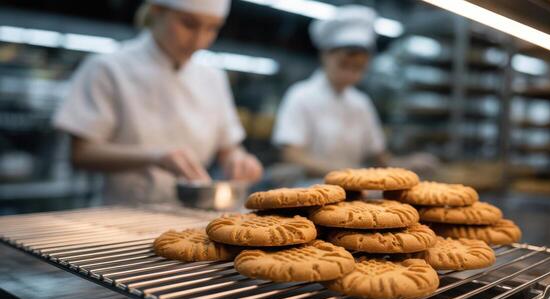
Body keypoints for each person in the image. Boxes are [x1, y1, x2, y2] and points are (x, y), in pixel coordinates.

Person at [53, 0, 263, 204]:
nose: (199, 41)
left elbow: (229, 147)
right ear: (157, 11)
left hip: (193, 213)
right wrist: (155, 157)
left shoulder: (212, 77)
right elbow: (82, 153)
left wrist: (239, 160)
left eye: (212, 28)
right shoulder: (108, 68)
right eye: (188, 24)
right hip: (123, 213)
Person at [272, 5, 438, 180]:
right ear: (325, 56)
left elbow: (380, 157)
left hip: (354, 191)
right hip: (308, 191)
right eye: (344, 64)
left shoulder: (361, 103)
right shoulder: (301, 96)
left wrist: (407, 163)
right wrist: (346, 172)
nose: (350, 73)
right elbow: (291, 154)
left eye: (358, 67)